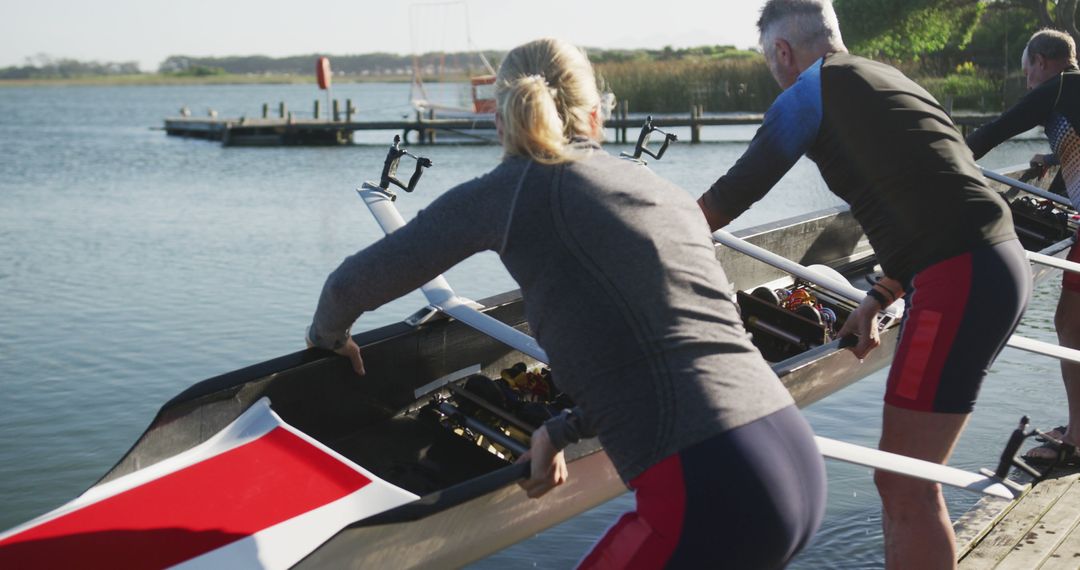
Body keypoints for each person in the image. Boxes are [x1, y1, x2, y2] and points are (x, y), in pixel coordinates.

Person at [307, 37, 825, 568]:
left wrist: (327, 337)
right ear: (597, 114)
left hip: (709, 489)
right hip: (791, 455)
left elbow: (352, 286)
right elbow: (674, 351)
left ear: (501, 123)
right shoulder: (665, 194)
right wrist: (560, 430)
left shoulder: (509, 192)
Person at [696, 1, 1031, 568]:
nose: (772, 75)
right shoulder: (889, 78)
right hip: (995, 262)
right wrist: (877, 297)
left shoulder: (808, 91)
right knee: (906, 480)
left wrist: (638, 240)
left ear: (782, 51)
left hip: (960, 278)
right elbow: (931, 196)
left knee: (904, 485)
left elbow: (726, 199)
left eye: (769, 62)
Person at [966, 29, 1080, 464]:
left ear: (1041, 61)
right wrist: (1053, 160)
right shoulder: (1074, 90)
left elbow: (998, 129)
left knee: (1070, 325)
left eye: (1027, 68)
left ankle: (1078, 437)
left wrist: (940, 159)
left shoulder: (1060, 87)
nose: (1028, 79)